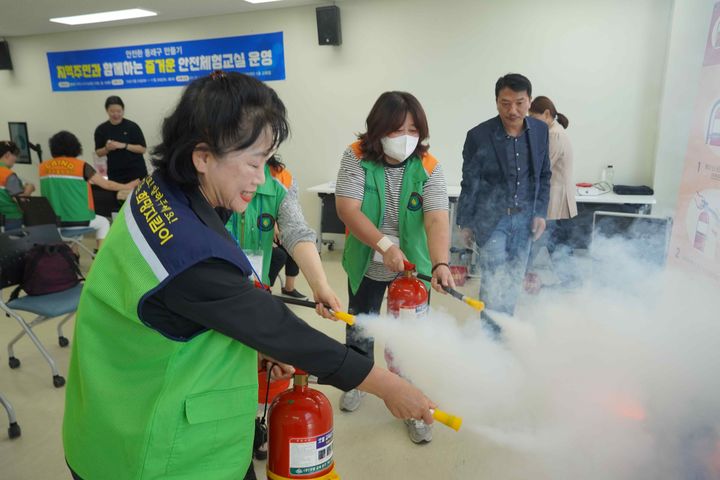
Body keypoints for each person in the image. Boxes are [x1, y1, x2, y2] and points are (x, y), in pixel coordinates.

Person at [63, 72, 435, 480]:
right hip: (160, 452)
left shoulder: (159, 191)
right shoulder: (191, 253)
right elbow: (279, 329)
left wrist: (255, 345)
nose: (262, 178)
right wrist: (387, 386)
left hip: (114, 412)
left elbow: (193, 312)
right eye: (254, 162)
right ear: (203, 156)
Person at [335, 91, 454, 445]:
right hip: (367, 256)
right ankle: (357, 379)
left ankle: (412, 402)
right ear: (378, 128)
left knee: (410, 336)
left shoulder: (429, 165)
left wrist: (441, 263)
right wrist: (384, 246)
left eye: (413, 128)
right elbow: (347, 208)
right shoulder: (355, 157)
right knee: (361, 323)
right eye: (398, 128)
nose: (406, 136)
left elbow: (435, 218)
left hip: (412, 266)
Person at [456, 73, 551, 320]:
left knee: (513, 279)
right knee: (494, 280)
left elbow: (544, 174)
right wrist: (465, 222)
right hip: (493, 222)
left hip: (526, 221)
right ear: (496, 101)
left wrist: (540, 213)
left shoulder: (541, 131)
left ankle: (504, 325)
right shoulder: (478, 136)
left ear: (529, 101)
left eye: (519, 102)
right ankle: (489, 335)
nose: (513, 110)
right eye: (505, 103)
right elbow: (470, 182)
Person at [225, 155, 315, 301]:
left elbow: (297, 231)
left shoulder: (281, 180)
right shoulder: (211, 178)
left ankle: (287, 287)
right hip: (219, 286)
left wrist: (320, 286)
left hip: (257, 285)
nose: (260, 178)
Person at [40, 131, 138, 251]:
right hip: (77, 221)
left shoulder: (43, 167)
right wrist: (127, 186)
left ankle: (74, 255)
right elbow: (106, 184)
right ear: (75, 147)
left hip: (52, 224)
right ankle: (99, 258)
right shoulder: (81, 166)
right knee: (103, 223)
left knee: (77, 226)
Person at [524, 96, 579, 291]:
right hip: (556, 201)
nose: (530, 123)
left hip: (556, 203)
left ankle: (562, 290)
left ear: (547, 114)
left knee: (547, 246)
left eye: (534, 117)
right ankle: (562, 289)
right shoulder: (555, 132)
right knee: (555, 250)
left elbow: (541, 169)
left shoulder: (555, 135)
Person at [93, 95, 148, 183]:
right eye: (112, 111)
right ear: (107, 111)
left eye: (119, 111)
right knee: (118, 196)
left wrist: (124, 145)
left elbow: (142, 149)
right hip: (115, 173)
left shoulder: (132, 126)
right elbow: (98, 153)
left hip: (136, 172)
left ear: (123, 110)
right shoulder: (101, 129)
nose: (116, 114)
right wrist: (107, 148)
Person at [0, 140, 35, 231]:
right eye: (15, 155)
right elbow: (20, 200)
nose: (15, 159)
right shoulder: (7, 174)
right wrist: (29, 189)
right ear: (7, 154)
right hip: (10, 219)